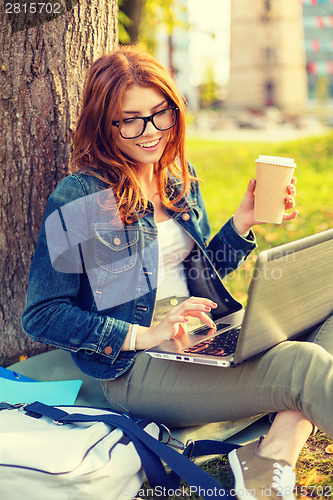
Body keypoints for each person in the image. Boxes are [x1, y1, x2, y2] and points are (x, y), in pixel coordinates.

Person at [22, 45, 333, 500]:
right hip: (136, 369)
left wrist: (243, 222)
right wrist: (146, 333)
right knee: (302, 365)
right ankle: (276, 446)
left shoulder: (177, 176)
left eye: (160, 114)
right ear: (102, 123)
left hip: (203, 341)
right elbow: (43, 314)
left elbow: (196, 271)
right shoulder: (80, 197)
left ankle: (275, 451)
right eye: (130, 119)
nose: (150, 132)